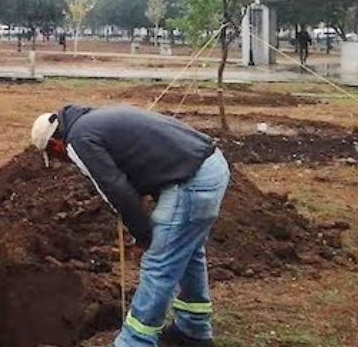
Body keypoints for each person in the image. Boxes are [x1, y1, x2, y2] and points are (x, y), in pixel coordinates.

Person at [30, 105, 230, 347]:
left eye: (55, 156)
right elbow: (134, 173)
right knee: (187, 253)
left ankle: (136, 341)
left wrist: (143, 238)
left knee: (159, 262)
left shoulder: (79, 140)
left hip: (193, 180)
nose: (63, 162)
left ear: (55, 145)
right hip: (209, 166)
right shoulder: (93, 121)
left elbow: (116, 190)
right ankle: (193, 328)